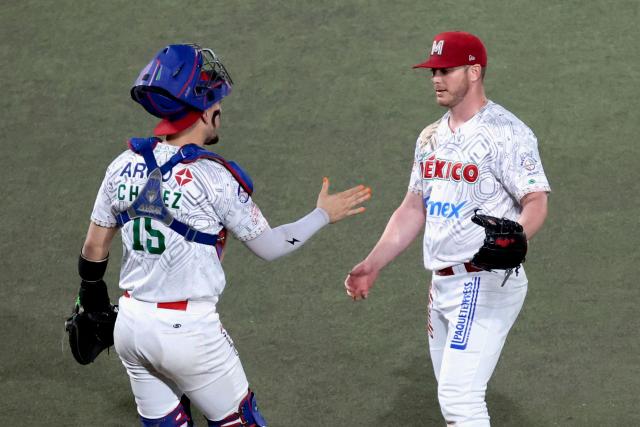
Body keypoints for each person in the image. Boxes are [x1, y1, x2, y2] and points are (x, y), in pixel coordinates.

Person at [75, 44, 371, 426]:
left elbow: (93, 248)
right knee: (241, 420)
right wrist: (321, 215)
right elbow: (271, 247)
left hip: (131, 325)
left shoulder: (122, 166)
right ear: (206, 111)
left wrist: (93, 297)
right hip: (189, 334)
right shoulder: (214, 178)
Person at [344, 31, 550, 426]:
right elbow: (412, 207)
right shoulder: (430, 137)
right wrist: (374, 263)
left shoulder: (506, 132)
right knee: (453, 401)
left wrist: (517, 235)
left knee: (460, 401)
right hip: (441, 284)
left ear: (474, 71)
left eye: (446, 70)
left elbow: (536, 200)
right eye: (433, 71)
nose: (436, 78)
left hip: (484, 279)